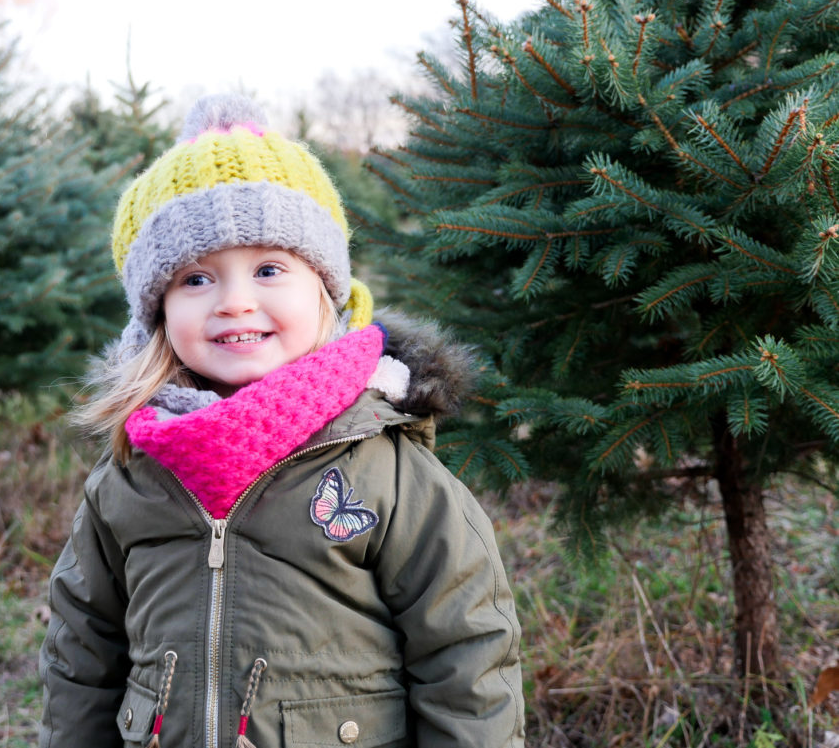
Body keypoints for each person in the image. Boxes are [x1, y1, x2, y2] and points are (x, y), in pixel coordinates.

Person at [39, 94, 525, 748]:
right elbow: (82, 650)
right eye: (196, 279)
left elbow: (466, 651)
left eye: (269, 269)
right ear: (155, 312)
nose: (236, 301)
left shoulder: (383, 464)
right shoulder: (133, 472)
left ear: (325, 292)